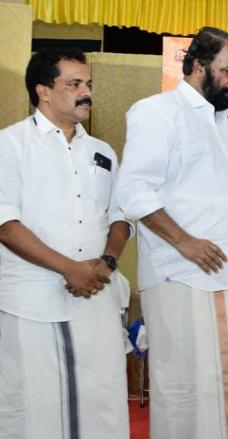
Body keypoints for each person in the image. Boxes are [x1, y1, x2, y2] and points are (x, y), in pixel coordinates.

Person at [115, 27, 228, 439]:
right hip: (184, 275)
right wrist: (185, 243)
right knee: (186, 392)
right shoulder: (158, 111)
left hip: (227, 278)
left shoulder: (225, 126)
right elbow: (134, 191)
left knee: (227, 393)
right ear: (197, 65)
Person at [0, 47, 130, 438]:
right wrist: (69, 268)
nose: (86, 92)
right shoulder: (10, 145)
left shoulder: (102, 152)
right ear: (43, 91)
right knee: (35, 404)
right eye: (74, 84)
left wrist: (107, 263)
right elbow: (6, 224)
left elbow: (120, 218)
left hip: (95, 294)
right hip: (31, 297)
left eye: (88, 84)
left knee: (102, 398)